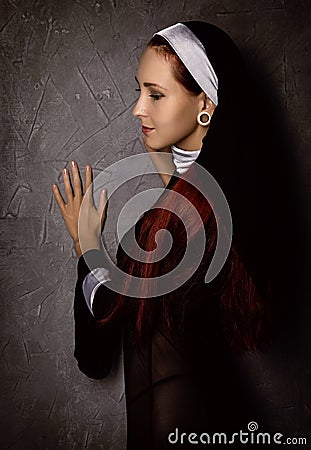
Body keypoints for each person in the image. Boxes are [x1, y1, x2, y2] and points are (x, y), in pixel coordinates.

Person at [53, 21, 271, 449]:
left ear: (205, 104)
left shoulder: (196, 219)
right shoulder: (206, 203)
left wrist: (87, 246)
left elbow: (111, 318)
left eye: (155, 94)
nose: (137, 108)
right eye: (140, 92)